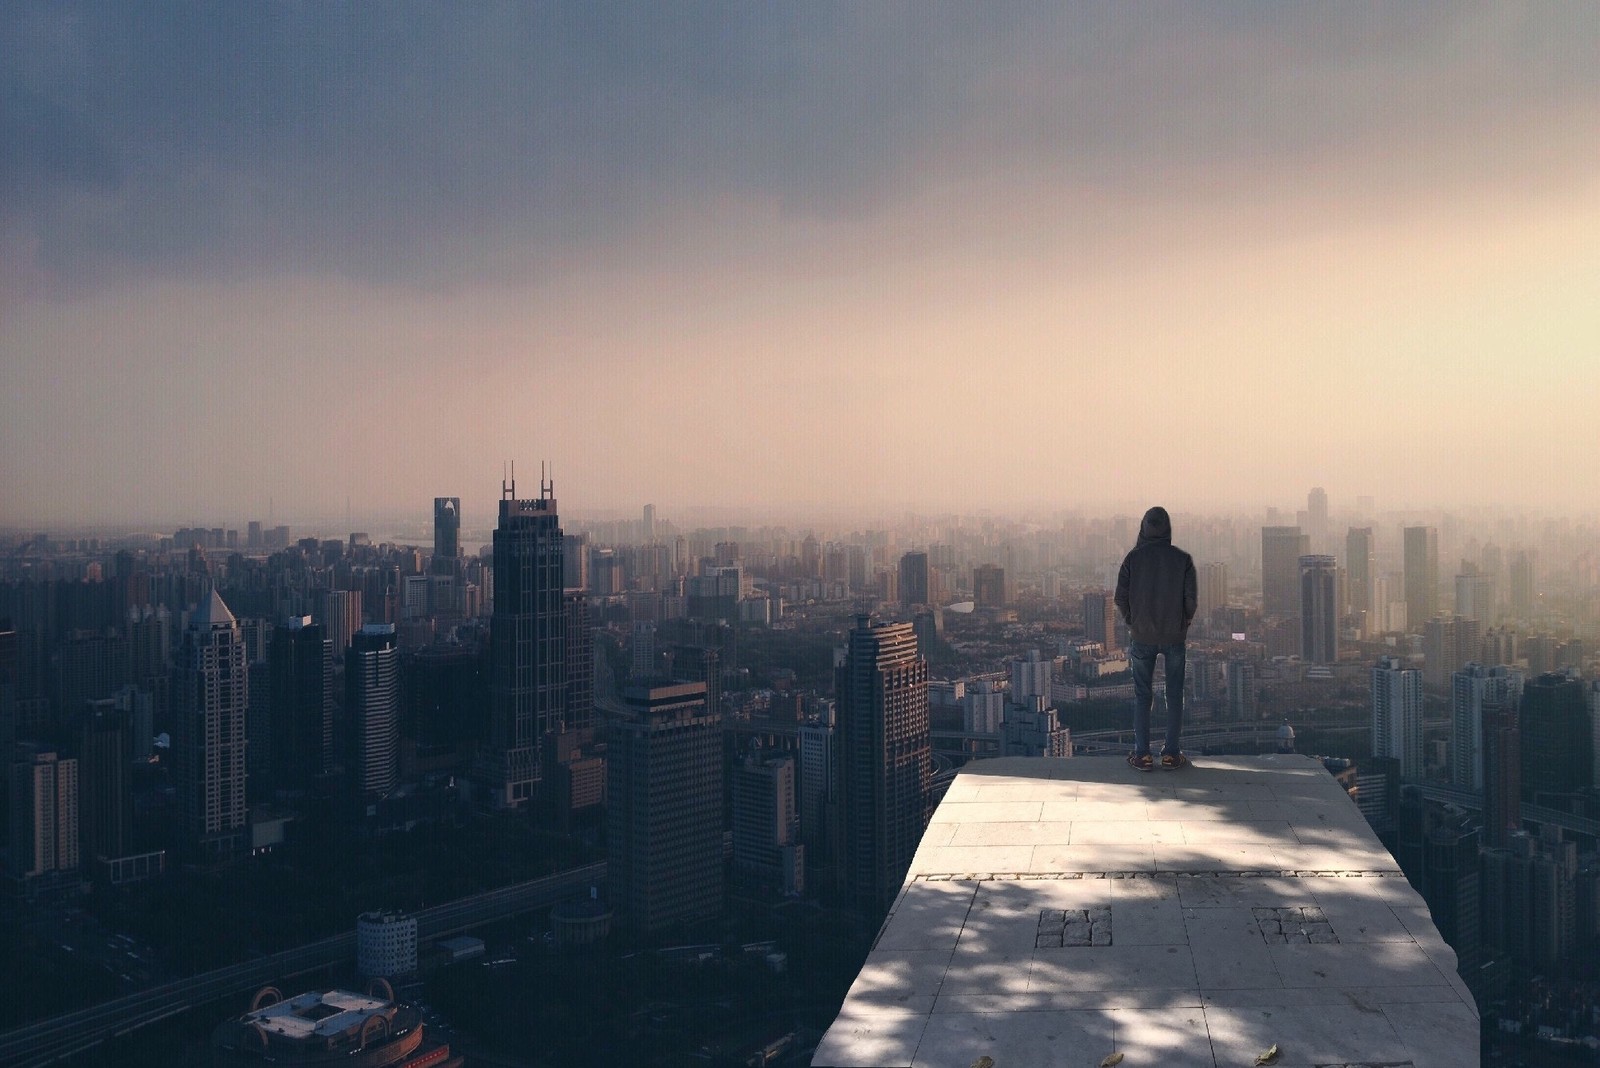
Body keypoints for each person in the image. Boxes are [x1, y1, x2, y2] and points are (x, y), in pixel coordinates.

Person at [1114, 506, 1197, 771]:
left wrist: (1133, 621)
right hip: (1174, 637)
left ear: (1144, 528)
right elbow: (1191, 601)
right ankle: (1172, 754)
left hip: (1142, 637)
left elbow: (1120, 597)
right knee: (1174, 694)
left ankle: (1142, 755)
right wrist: (1182, 623)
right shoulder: (1182, 560)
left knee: (1142, 695)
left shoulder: (1133, 558)